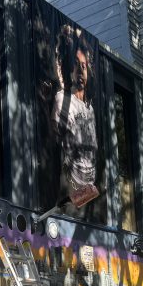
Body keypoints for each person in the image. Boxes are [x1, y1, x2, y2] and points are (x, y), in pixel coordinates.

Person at [52, 24, 99, 212]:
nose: (80, 72)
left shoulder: (91, 108)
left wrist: (79, 35)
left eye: (84, 66)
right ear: (69, 69)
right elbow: (55, 144)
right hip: (71, 189)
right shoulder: (62, 99)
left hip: (90, 191)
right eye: (76, 66)